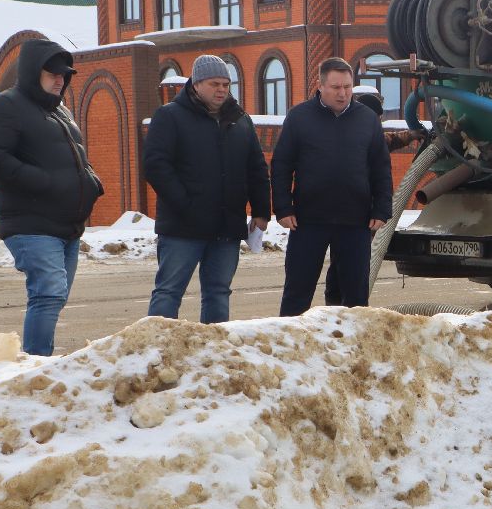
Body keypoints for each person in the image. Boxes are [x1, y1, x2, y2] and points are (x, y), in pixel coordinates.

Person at [0, 38, 104, 356]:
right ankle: (34, 365)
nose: (60, 79)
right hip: (30, 222)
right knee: (48, 293)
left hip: (66, 225)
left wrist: (91, 182)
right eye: (52, 73)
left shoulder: (61, 112)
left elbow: (74, 159)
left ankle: (37, 360)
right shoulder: (6, 105)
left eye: (64, 74)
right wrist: (43, 181)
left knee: (56, 296)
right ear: (33, 72)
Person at [142, 54, 270, 323]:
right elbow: (156, 167)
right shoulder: (170, 116)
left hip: (226, 226)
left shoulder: (240, 120)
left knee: (218, 293)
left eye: (226, 84)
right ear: (196, 84)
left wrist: (261, 211)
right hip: (182, 227)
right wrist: (186, 206)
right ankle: (159, 351)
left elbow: (256, 168)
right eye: (215, 84)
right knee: (169, 292)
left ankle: (213, 354)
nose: (222, 89)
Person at [273, 57, 393, 313]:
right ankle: (291, 349)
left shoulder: (367, 119)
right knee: (297, 292)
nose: (343, 93)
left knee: (356, 299)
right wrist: (283, 208)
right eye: (336, 87)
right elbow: (281, 166)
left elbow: (380, 167)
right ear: (321, 86)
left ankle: (351, 348)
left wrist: (382, 209)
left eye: (348, 87)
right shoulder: (299, 117)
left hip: (355, 222)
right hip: (308, 221)